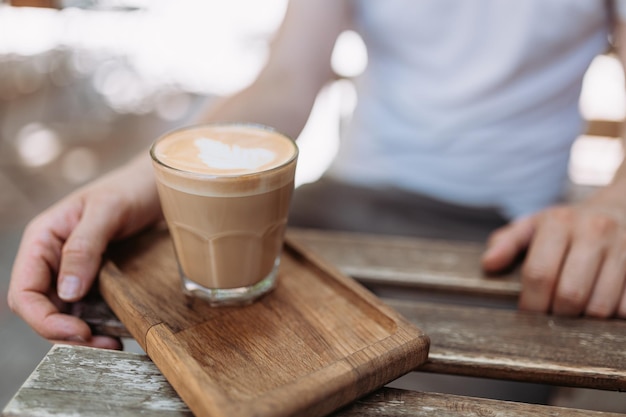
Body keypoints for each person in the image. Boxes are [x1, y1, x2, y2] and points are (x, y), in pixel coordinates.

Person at [8, 0, 626, 355]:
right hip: (344, 199)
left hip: (510, 234)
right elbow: (285, 82)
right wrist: (134, 184)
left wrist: (617, 203)